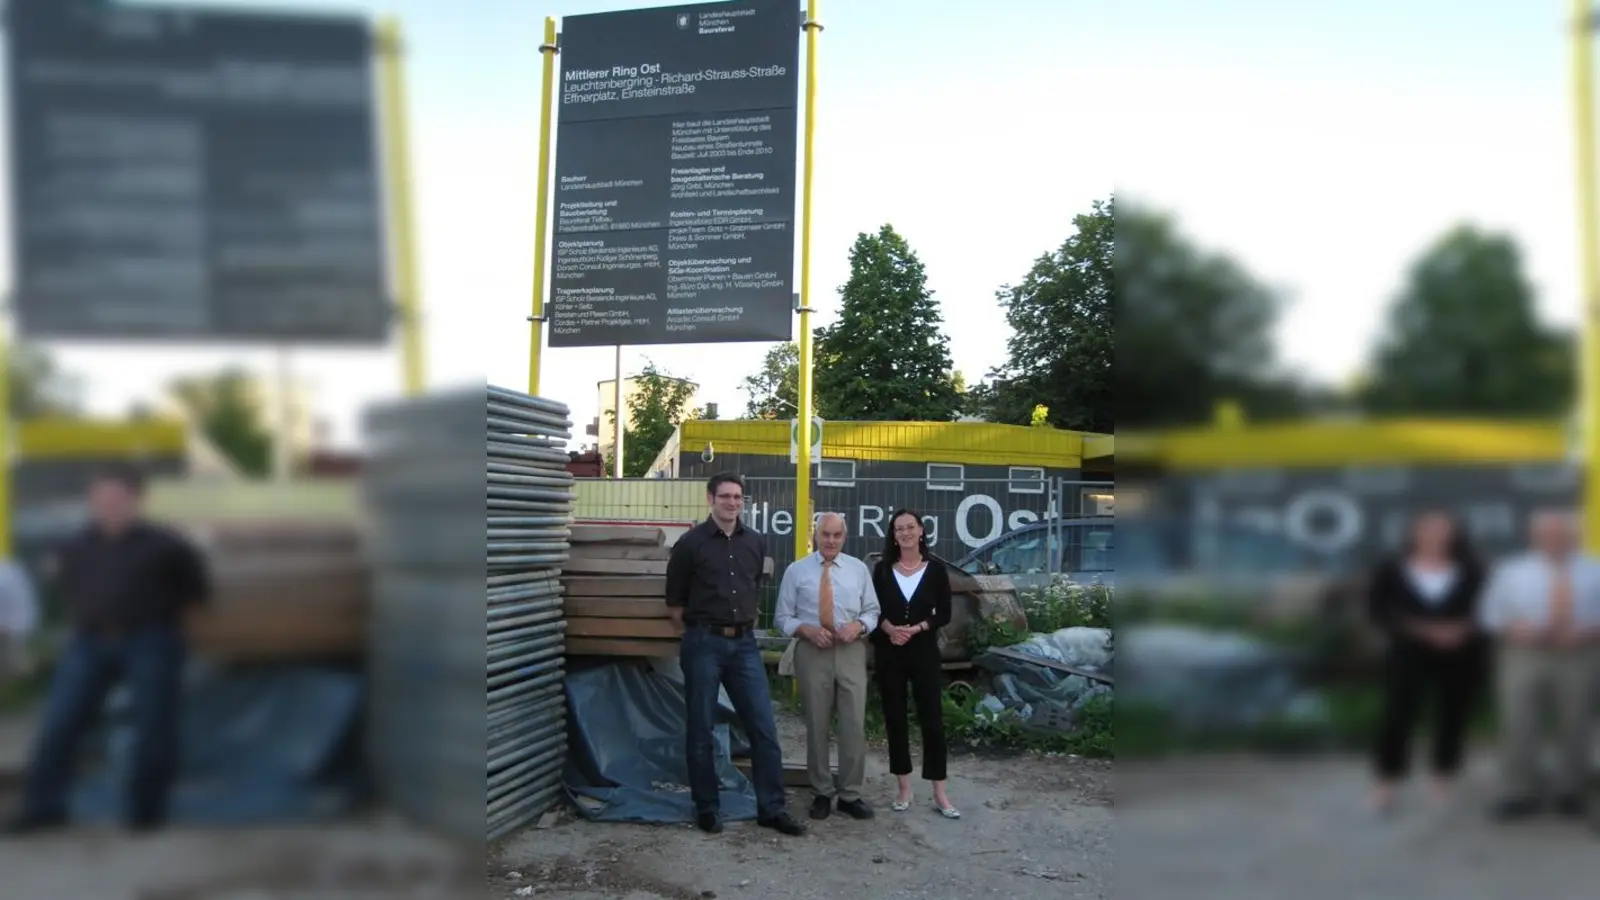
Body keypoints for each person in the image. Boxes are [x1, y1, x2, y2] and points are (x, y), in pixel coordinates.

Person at [4, 463, 209, 834]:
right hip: (90, 642)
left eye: (116, 498)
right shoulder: (74, 545)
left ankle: (146, 814)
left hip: (150, 640)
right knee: (60, 722)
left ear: (137, 499)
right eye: (99, 499)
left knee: (153, 726)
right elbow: (62, 584)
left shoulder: (168, 546)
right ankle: (44, 809)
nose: (107, 506)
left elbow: (195, 593)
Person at [664, 472, 806, 837]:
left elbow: (751, 588)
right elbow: (675, 603)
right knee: (701, 727)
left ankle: (771, 809)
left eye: (737, 497)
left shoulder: (755, 542)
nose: (732, 503)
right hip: (703, 643)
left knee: (763, 726)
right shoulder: (690, 544)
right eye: (725, 496)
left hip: (744, 646)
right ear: (710, 499)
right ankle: (707, 809)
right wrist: (695, 634)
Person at [1478, 508, 1600, 821]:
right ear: (1534, 537)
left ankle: (1571, 791)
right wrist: (1515, 628)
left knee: (1576, 722)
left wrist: (1590, 631)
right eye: (1547, 534)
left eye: (1562, 534)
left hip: (1579, 655)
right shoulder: (1511, 570)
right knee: (1518, 723)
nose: (1555, 540)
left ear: (1575, 536)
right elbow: (1489, 613)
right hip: (1523, 654)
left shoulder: (1595, 569)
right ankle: (1519, 792)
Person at [1365, 510, 1487, 813]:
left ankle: (1442, 778)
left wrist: (1463, 628)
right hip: (1407, 653)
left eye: (1443, 530)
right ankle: (1386, 781)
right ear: (1415, 533)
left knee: (1451, 715)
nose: (1435, 536)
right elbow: (1378, 610)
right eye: (1428, 529)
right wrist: (1421, 629)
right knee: (1397, 715)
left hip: (1460, 653)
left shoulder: (1472, 570)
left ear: (1454, 534)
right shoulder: (1392, 569)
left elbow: (1489, 608)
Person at [774, 511, 881, 821]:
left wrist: (859, 626)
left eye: (837, 535)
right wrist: (806, 630)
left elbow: (873, 611)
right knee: (817, 723)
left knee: (853, 724)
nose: (831, 540)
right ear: (816, 536)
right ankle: (821, 791)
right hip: (812, 652)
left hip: (850, 651)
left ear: (844, 537)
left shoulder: (858, 570)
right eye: (825, 534)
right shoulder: (797, 571)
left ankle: (850, 794)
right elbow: (782, 617)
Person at [871, 508, 959, 819]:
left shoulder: (935, 570)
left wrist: (919, 627)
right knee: (895, 719)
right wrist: (890, 630)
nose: (905, 533)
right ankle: (904, 787)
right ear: (893, 535)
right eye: (899, 529)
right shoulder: (882, 570)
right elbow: (872, 609)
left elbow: (944, 613)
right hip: (889, 652)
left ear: (921, 530)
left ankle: (940, 792)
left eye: (911, 527)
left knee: (932, 720)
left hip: (923, 651)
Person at [0, 558, 41, 682]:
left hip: (15, 626)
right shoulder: (9, 569)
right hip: (21, 623)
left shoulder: (6, 573)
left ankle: (20, 671)